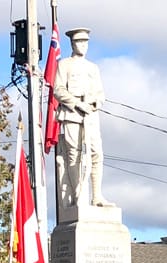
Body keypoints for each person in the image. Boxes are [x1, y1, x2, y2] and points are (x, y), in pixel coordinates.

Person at [53, 27, 113, 208]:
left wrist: (94, 103)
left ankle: (97, 196)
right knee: (74, 156)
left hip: (91, 115)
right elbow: (58, 90)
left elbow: (101, 94)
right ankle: (78, 194)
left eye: (86, 42)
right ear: (72, 43)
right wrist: (77, 104)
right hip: (72, 113)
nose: (83, 46)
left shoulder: (93, 68)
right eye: (80, 42)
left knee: (96, 154)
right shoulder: (64, 64)